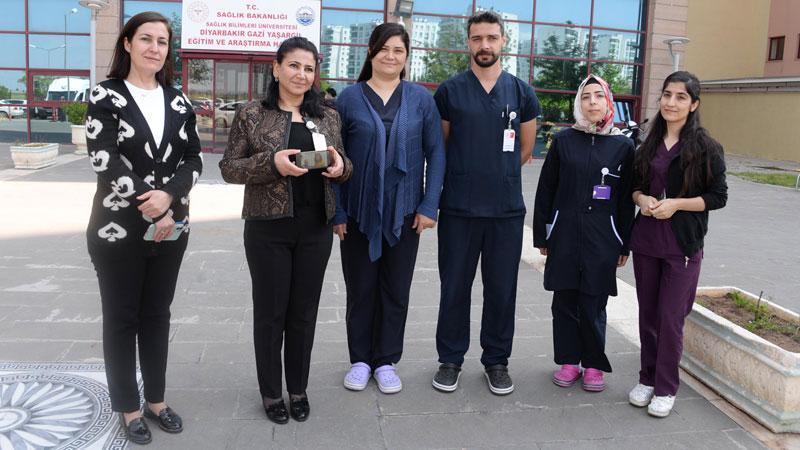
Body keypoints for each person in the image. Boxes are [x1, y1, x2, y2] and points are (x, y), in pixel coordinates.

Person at [219, 36, 352, 425]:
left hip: (315, 228)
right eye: (294, 65)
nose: (301, 74)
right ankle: (271, 392)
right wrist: (271, 164)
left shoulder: (328, 116)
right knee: (270, 313)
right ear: (276, 68)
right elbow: (229, 168)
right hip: (268, 229)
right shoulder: (251, 113)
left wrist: (340, 167)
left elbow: (345, 165)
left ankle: (298, 389)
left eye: (309, 68)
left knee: (304, 313)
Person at [85, 11, 203, 445]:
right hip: (117, 230)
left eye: (163, 41)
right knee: (122, 319)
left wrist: (169, 196)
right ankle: (128, 407)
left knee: (157, 316)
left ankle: (156, 400)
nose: (155, 48)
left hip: (171, 228)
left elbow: (195, 157)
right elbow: (104, 159)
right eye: (146, 39)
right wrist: (152, 205)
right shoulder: (106, 95)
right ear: (128, 43)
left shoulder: (178, 100)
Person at [432, 11, 540, 395]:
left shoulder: (521, 92)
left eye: (492, 38)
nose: (485, 45)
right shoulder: (449, 92)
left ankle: (496, 361)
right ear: (468, 42)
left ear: (503, 41)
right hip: (459, 209)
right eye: (477, 38)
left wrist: (498, 173)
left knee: (502, 290)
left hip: (505, 211)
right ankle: (450, 359)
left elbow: (525, 149)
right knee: (454, 288)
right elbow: (441, 147)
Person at [333, 23, 445, 394]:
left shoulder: (421, 99)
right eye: (384, 49)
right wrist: (338, 212)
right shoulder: (349, 99)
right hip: (358, 210)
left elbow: (436, 153)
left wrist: (429, 204)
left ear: (407, 56)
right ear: (371, 52)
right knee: (361, 288)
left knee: (396, 289)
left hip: (406, 211)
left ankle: (385, 361)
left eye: (398, 50)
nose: (391, 56)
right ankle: (360, 360)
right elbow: (334, 158)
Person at [627, 71, 727, 417]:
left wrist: (677, 204)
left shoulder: (706, 148)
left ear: (694, 104)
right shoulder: (647, 143)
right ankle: (647, 378)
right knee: (648, 315)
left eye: (681, 97)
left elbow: (718, 197)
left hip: (682, 247)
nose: (671, 102)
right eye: (667, 95)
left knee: (670, 319)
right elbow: (635, 187)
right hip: (647, 242)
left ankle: (666, 386)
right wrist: (642, 199)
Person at [533, 75, 635, 393]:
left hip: (603, 239)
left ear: (608, 101)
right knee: (564, 301)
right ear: (579, 102)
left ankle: (593, 365)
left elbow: (626, 199)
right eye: (586, 96)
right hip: (564, 235)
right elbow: (546, 189)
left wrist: (624, 243)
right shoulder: (564, 141)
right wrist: (542, 235)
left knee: (593, 303)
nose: (592, 102)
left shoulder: (623, 146)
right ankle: (568, 361)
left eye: (598, 96)